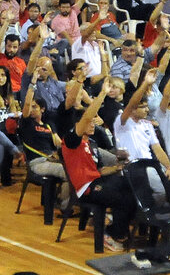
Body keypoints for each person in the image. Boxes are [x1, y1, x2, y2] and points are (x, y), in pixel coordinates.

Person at [60, 77, 136, 253]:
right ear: (79, 125)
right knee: (123, 199)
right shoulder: (71, 141)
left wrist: (117, 169)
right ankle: (111, 233)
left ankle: (117, 227)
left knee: (131, 186)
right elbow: (87, 115)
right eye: (90, 121)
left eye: (95, 121)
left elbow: (100, 170)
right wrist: (102, 93)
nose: (93, 123)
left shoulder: (91, 143)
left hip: (98, 181)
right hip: (86, 189)